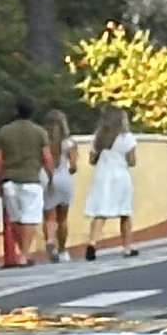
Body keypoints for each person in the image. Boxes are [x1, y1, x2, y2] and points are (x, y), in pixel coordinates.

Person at [0, 95, 51, 266]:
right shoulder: (39, 132)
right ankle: (24, 254)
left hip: (9, 179)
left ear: (16, 110)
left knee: (16, 218)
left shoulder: (4, 132)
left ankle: (21, 252)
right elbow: (46, 157)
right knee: (30, 218)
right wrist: (50, 175)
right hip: (31, 178)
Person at [80, 105, 138, 259]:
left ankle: (92, 243)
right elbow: (132, 161)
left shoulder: (98, 139)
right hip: (120, 176)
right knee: (125, 213)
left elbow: (92, 160)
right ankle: (127, 247)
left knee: (101, 212)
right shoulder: (127, 139)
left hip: (102, 176)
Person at [41, 108, 75, 259]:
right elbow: (73, 166)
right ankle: (62, 249)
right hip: (64, 178)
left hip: (46, 177)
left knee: (48, 216)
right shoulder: (69, 143)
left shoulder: (42, 142)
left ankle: (49, 241)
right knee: (62, 218)